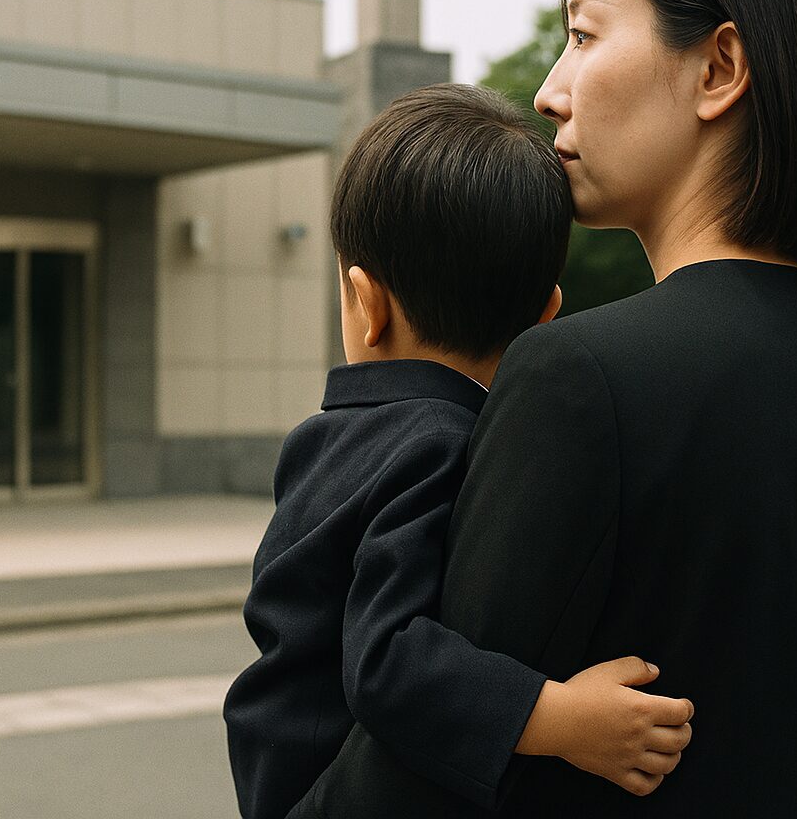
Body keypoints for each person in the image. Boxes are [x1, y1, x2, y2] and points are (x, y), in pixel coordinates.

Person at [298, 0, 797, 818]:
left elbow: (412, 777)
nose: (551, 90)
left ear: (719, 68)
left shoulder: (580, 379)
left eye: (583, 34)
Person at [223, 84, 696, 819]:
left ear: (365, 303)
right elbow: (385, 659)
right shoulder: (438, 445)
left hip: (277, 764)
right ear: (546, 317)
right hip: (321, 786)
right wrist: (563, 719)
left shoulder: (327, 439)